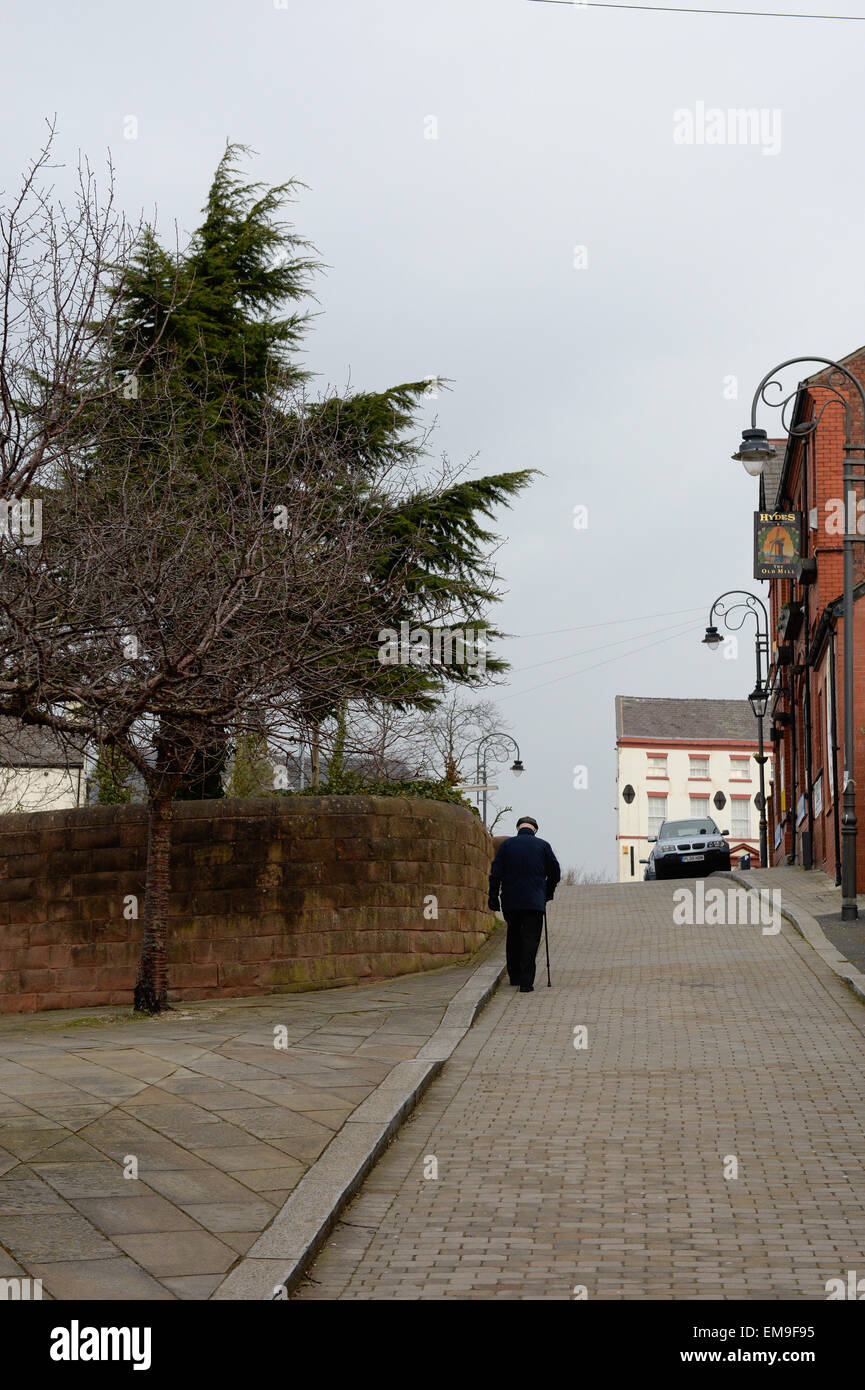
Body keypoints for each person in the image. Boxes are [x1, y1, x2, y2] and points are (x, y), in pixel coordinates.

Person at [488, 815, 561, 993]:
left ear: (518, 828)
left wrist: (493, 896)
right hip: (534, 902)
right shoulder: (543, 845)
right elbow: (555, 872)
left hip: (511, 901)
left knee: (513, 935)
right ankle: (526, 983)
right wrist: (548, 892)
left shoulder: (506, 846)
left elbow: (495, 872)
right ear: (535, 830)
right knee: (530, 939)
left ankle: (514, 976)